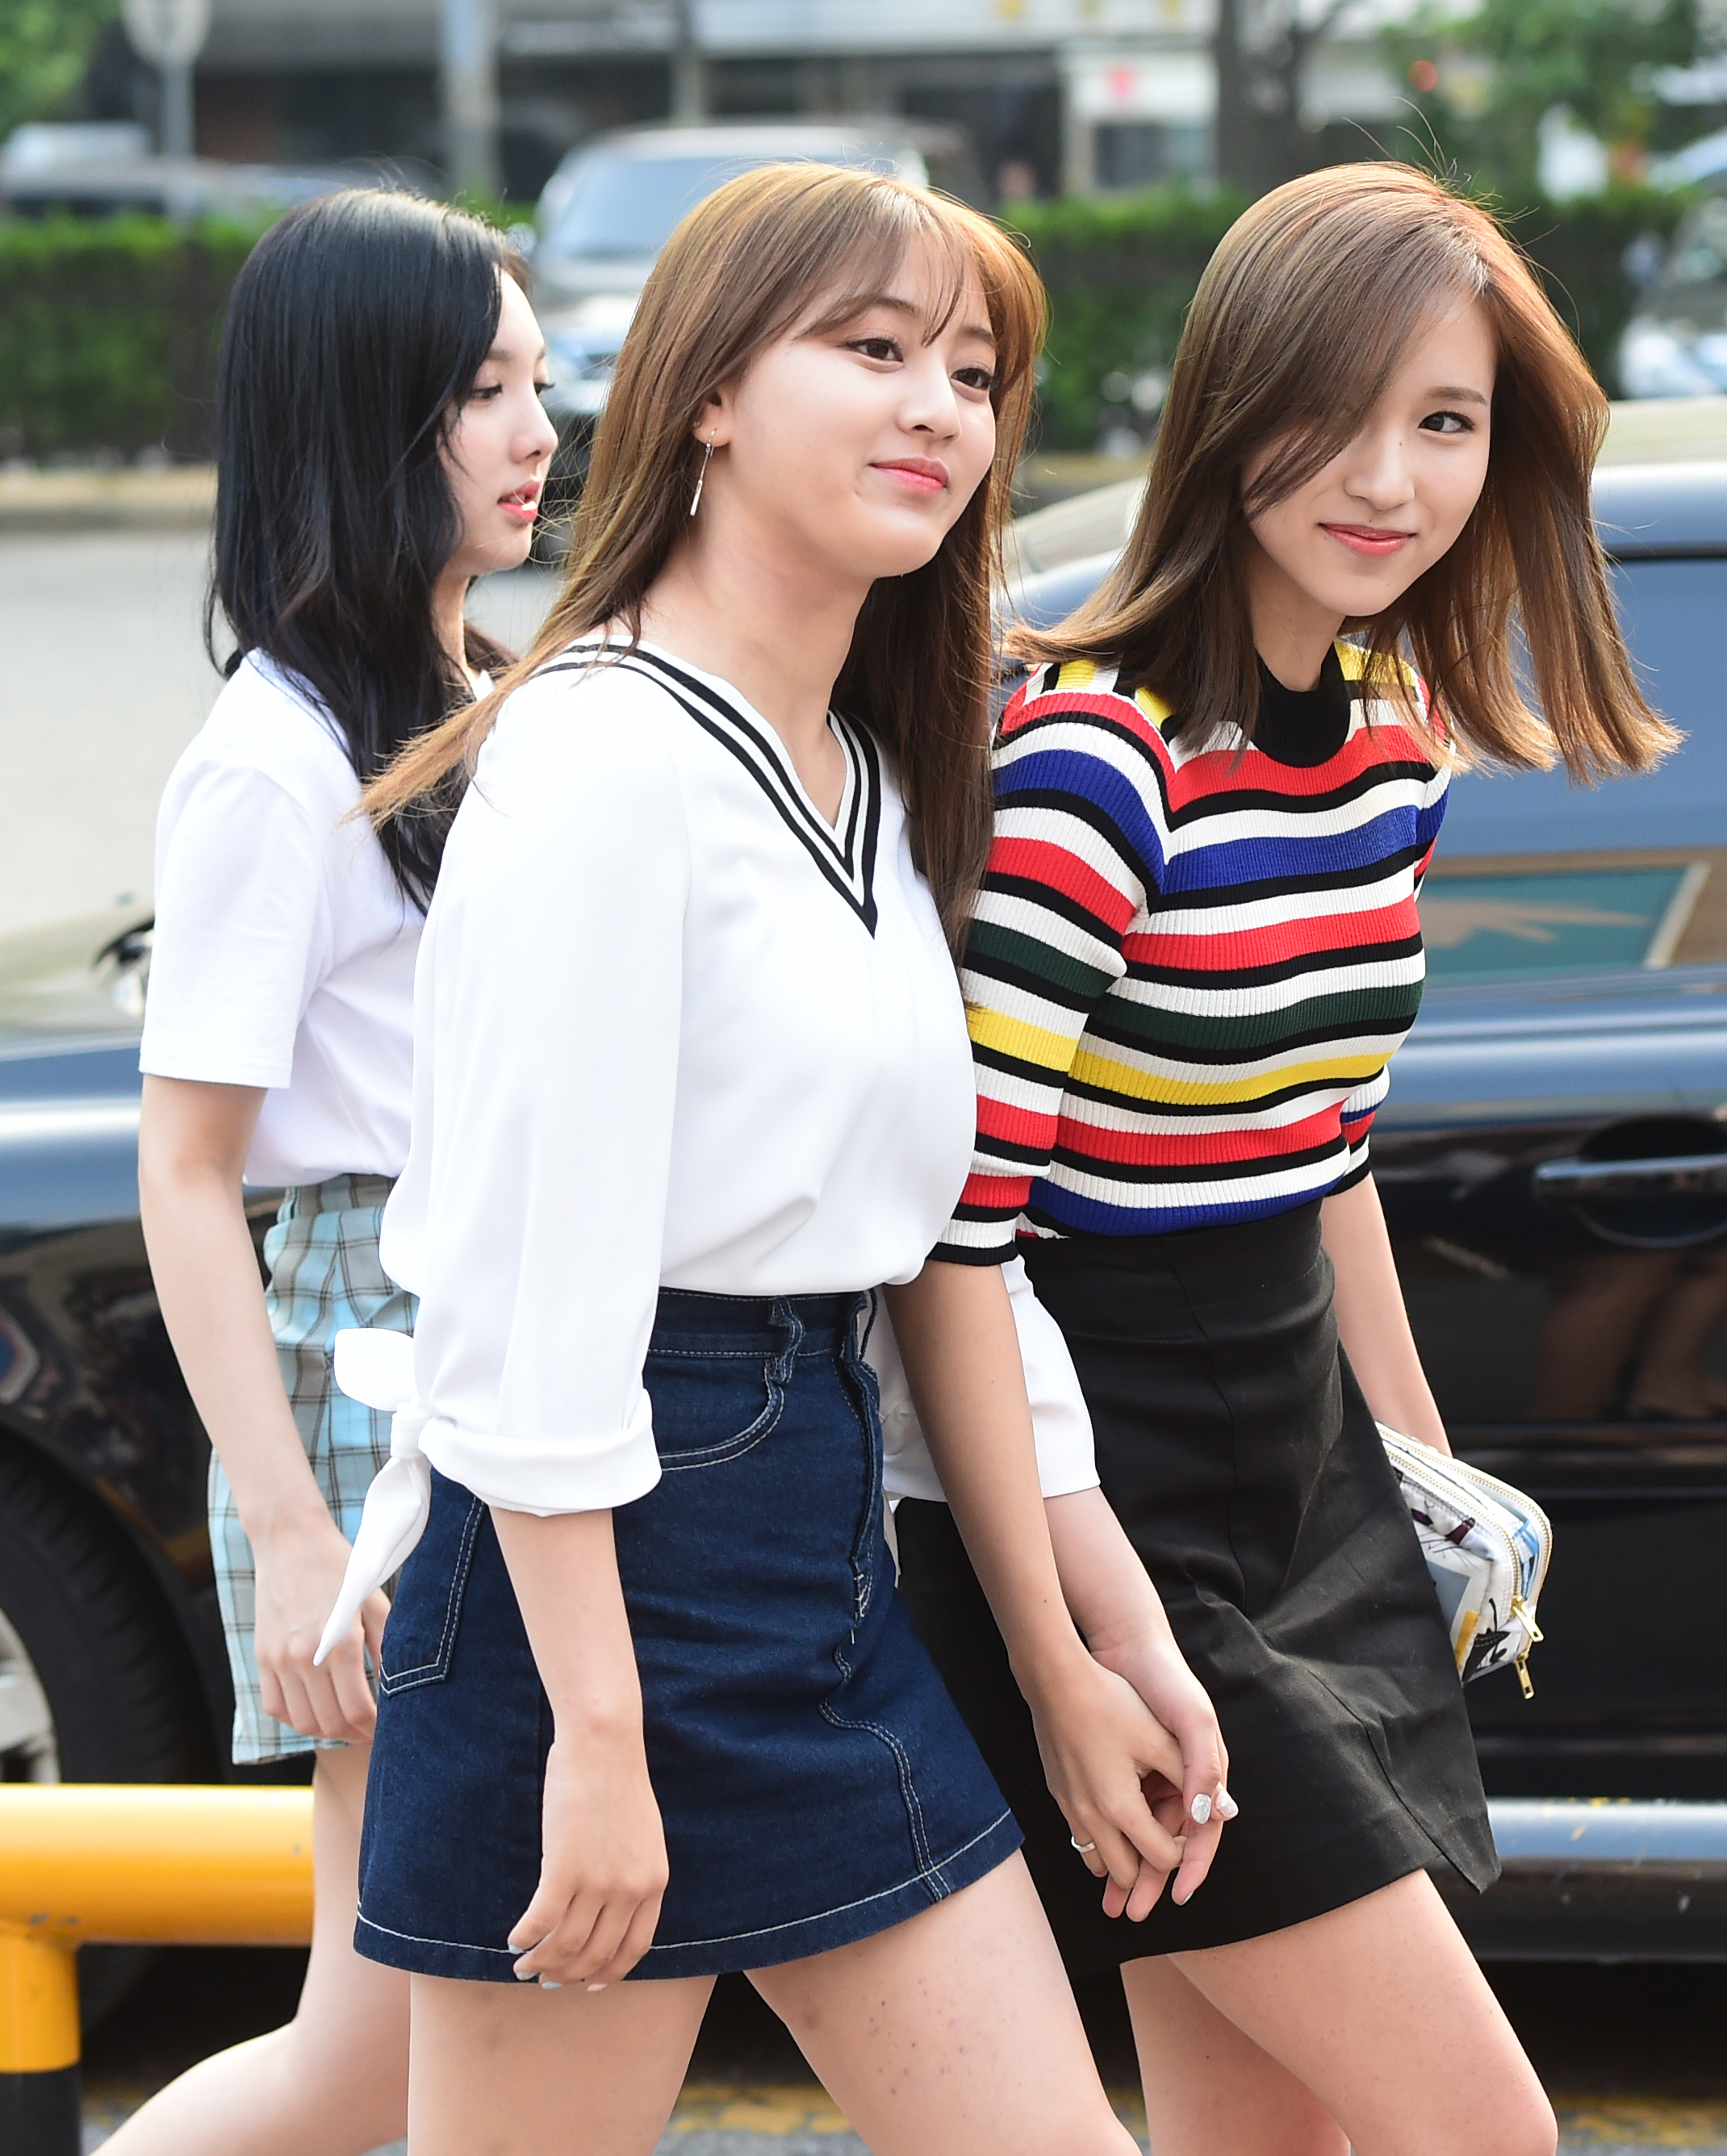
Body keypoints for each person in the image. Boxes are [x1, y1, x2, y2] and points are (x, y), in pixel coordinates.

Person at [324, 161, 1230, 2156]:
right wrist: (595, 1731)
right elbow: (531, 1293)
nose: (937, 409)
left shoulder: (871, 771)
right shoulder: (600, 751)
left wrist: (1093, 1638)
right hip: (584, 1573)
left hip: (806, 1554)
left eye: (970, 372)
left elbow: (926, 1248)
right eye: (874, 348)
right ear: (712, 391)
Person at [892, 162, 1679, 2156]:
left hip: (1307, 1469)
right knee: (1480, 2129)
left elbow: (1327, 1153)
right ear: (1227, 404)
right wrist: (1056, 1649)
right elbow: (955, 1247)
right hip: (1106, 1494)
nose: (1387, 479)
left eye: (1446, 420)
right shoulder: (1096, 760)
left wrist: (1417, 1472)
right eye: (1333, 413)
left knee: (1265, 2139)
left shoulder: (1391, 731)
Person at [119, 187, 558, 2156]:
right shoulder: (274, 756)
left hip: (487, 1336)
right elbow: (187, 1171)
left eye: (538, 381)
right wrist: (294, 1532)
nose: (537, 431)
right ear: (364, 417)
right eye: (483, 391)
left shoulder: (476, 691)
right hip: (369, 1366)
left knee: (472, 2004)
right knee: (372, 2042)